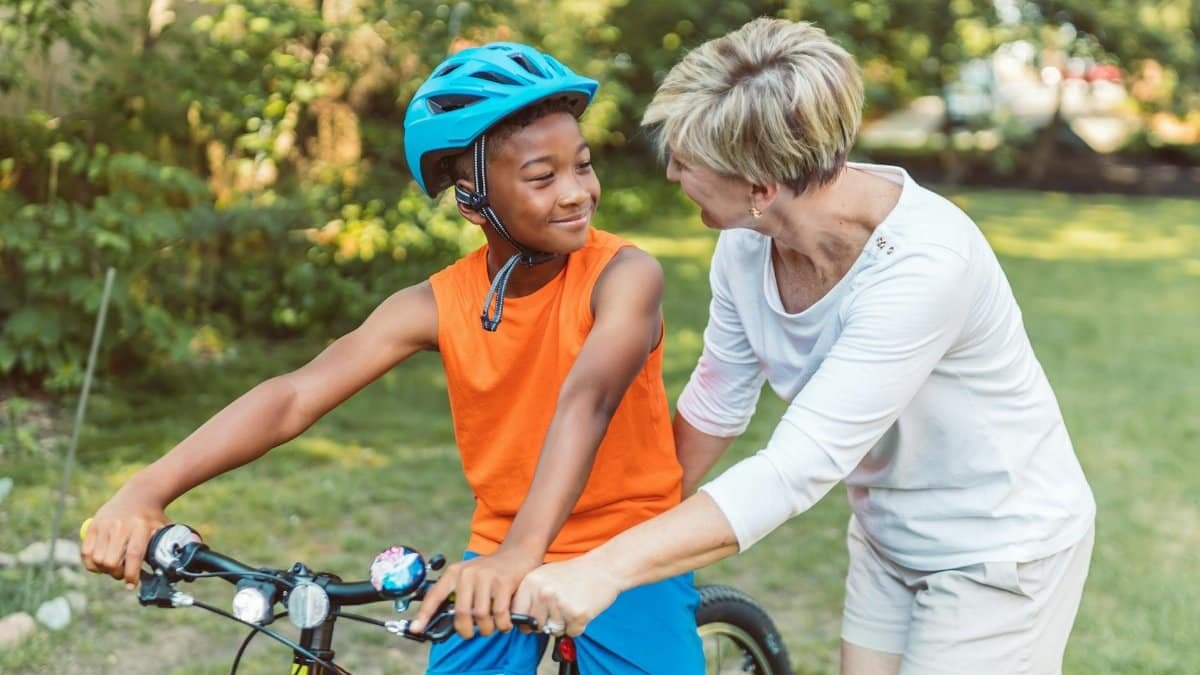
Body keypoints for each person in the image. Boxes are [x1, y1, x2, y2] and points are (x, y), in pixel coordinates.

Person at [80, 42, 704, 675]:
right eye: (543, 177)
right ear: (472, 197)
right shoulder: (437, 303)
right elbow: (295, 396)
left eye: (583, 166)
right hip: (500, 545)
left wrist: (521, 555)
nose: (576, 193)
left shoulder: (625, 276)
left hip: (624, 542)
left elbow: (588, 400)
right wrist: (145, 489)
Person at [512, 18, 1097, 675]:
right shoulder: (746, 242)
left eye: (686, 160)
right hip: (888, 540)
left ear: (762, 189)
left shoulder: (925, 267)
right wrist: (611, 529)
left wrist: (609, 566)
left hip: (997, 549)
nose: (672, 172)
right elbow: (718, 394)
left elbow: (795, 468)